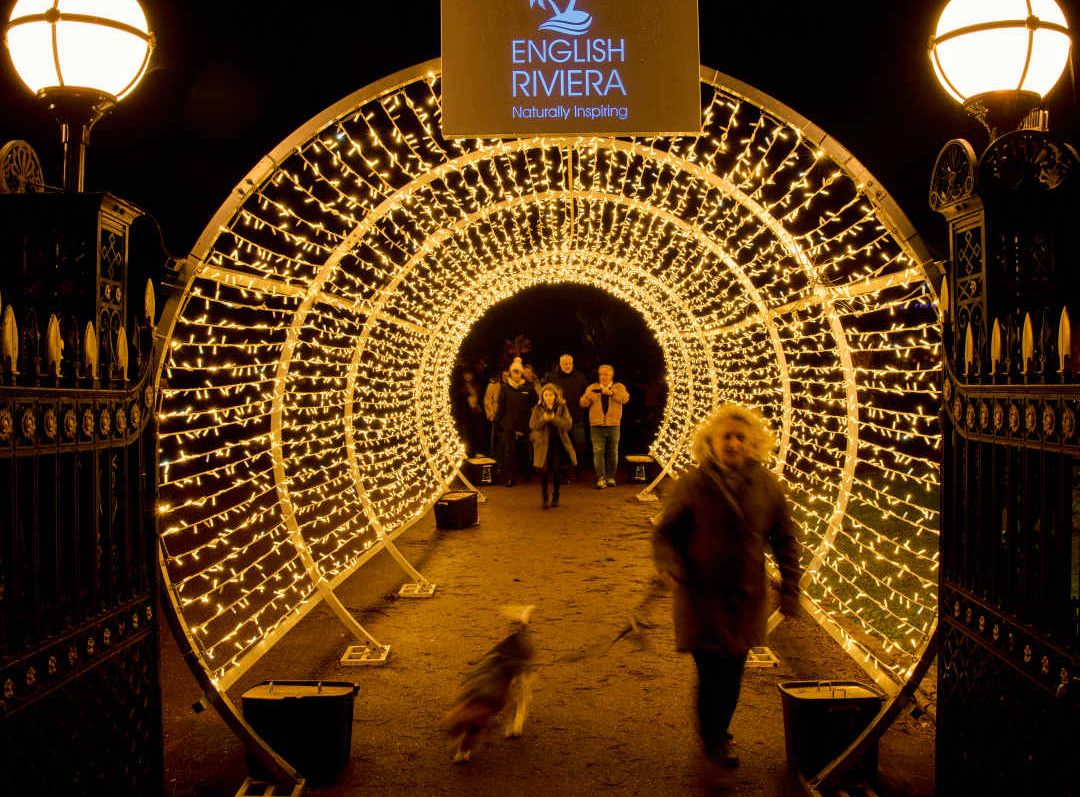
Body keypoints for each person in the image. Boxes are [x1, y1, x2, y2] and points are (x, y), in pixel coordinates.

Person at [651, 403, 801, 774]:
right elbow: (666, 533)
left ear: (752, 444)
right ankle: (714, 737)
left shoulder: (767, 485)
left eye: (740, 438)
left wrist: (790, 587)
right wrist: (670, 566)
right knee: (711, 669)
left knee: (733, 670)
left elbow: (785, 538)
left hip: (744, 596)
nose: (733, 444)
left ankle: (716, 732)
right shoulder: (692, 484)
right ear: (711, 443)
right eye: (726, 437)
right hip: (700, 594)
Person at [579, 364, 629, 489]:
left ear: (612, 375)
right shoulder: (592, 387)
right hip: (596, 426)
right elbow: (583, 403)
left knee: (613, 452)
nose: (603, 377)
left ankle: (611, 477)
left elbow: (625, 399)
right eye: (601, 374)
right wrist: (590, 396)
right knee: (598, 452)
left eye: (606, 374)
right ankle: (601, 478)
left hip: (613, 425)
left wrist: (612, 393)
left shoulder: (619, 387)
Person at [529, 383, 577, 509]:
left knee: (556, 470)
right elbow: (533, 425)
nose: (549, 397)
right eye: (546, 395)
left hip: (557, 443)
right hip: (543, 444)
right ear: (542, 396)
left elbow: (568, 425)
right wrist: (544, 419)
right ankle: (545, 496)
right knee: (543, 471)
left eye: (551, 395)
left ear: (555, 396)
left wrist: (553, 418)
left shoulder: (562, 407)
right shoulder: (538, 408)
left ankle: (556, 495)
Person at [544, 353, 588, 480]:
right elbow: (545, 394)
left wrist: (583, 401)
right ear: (560, 364)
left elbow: (587, 394)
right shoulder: (552, 377)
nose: (568, 366)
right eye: (565, 364)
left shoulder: (580, 377)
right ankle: (563, 474)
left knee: (579, 446)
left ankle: (578, 472)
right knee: (561, 447)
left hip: (577, 417)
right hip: (559, 419)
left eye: (570, 363)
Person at [494, 358, 534, 486]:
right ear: (511, 373)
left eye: (518, 372)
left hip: (524, 424)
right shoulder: (505, 388)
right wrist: (497, 421)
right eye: (514, 372)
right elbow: (501, 406)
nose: (516, 374)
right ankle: (511, 477)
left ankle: (526, 473)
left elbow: (535, 402)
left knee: (524, 450)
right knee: (509, 453)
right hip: (509, 425)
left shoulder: (528, 387)